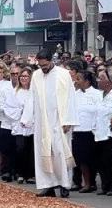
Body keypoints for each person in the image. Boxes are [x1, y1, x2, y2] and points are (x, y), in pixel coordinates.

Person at [21, 50, 77, 198]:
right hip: (42, 121)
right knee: (43, 152)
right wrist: (26, 118)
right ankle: (48, 185)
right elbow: (31, 97)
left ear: (51, 60)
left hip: (60, 120)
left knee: (60, 152)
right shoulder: (36, 75)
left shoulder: (63, 74)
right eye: (40, 66)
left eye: (45, 65)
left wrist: (69, 120)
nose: (43, 68)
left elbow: (71, 97)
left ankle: (65, 184)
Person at [92, 64, 112, 196]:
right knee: (101, 160)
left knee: (110, 160)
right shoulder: (100, 95)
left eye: (100, 78)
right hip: (99, 132)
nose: (97, 81)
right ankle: (105, 184)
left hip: (111, 133)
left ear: (108, 81)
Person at [71, 69, 102, 193]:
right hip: (78, 130)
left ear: (87, 81)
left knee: (91, 158)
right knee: (80, 158)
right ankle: (85, 183)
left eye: (79, 79)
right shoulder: (75, 94)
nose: (76, 81)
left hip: (91, 130)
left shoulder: (97, 94)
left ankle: (92, 182)